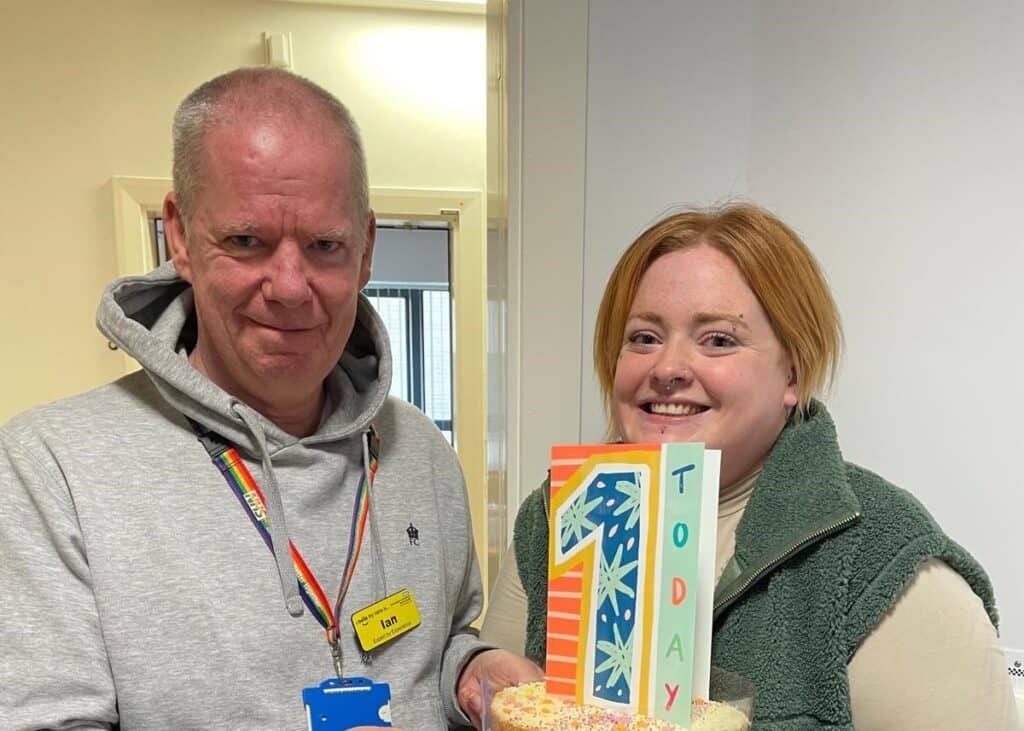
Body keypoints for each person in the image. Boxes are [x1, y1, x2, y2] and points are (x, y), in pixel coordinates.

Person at [0, 67, 540, 730]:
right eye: (247, 241)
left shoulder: (420, 452)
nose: (289, 286)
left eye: (324, 245)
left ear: (366, 249)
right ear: (180, 235)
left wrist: (471, 669)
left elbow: (439, 640)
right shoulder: (51, 468)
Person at [481, 202, 1017, 729]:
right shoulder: (553, 521)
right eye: (644, 337)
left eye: (718, 340)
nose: (667, 367)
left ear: (794, 375)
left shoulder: (882, 563)